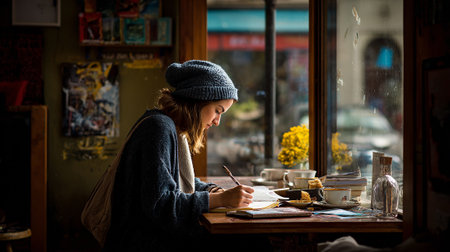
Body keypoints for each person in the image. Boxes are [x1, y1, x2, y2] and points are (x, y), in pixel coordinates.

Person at [103, 60, 255, 251]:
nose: (217, 121)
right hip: (144, 241)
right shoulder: (158, 128)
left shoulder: (172, 127)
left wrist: (212, 191)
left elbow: (180, 181)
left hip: (155, 235)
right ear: (199, 99)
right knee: (252, 242)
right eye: (217, 111)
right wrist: (221, 200)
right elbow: (160, 204)